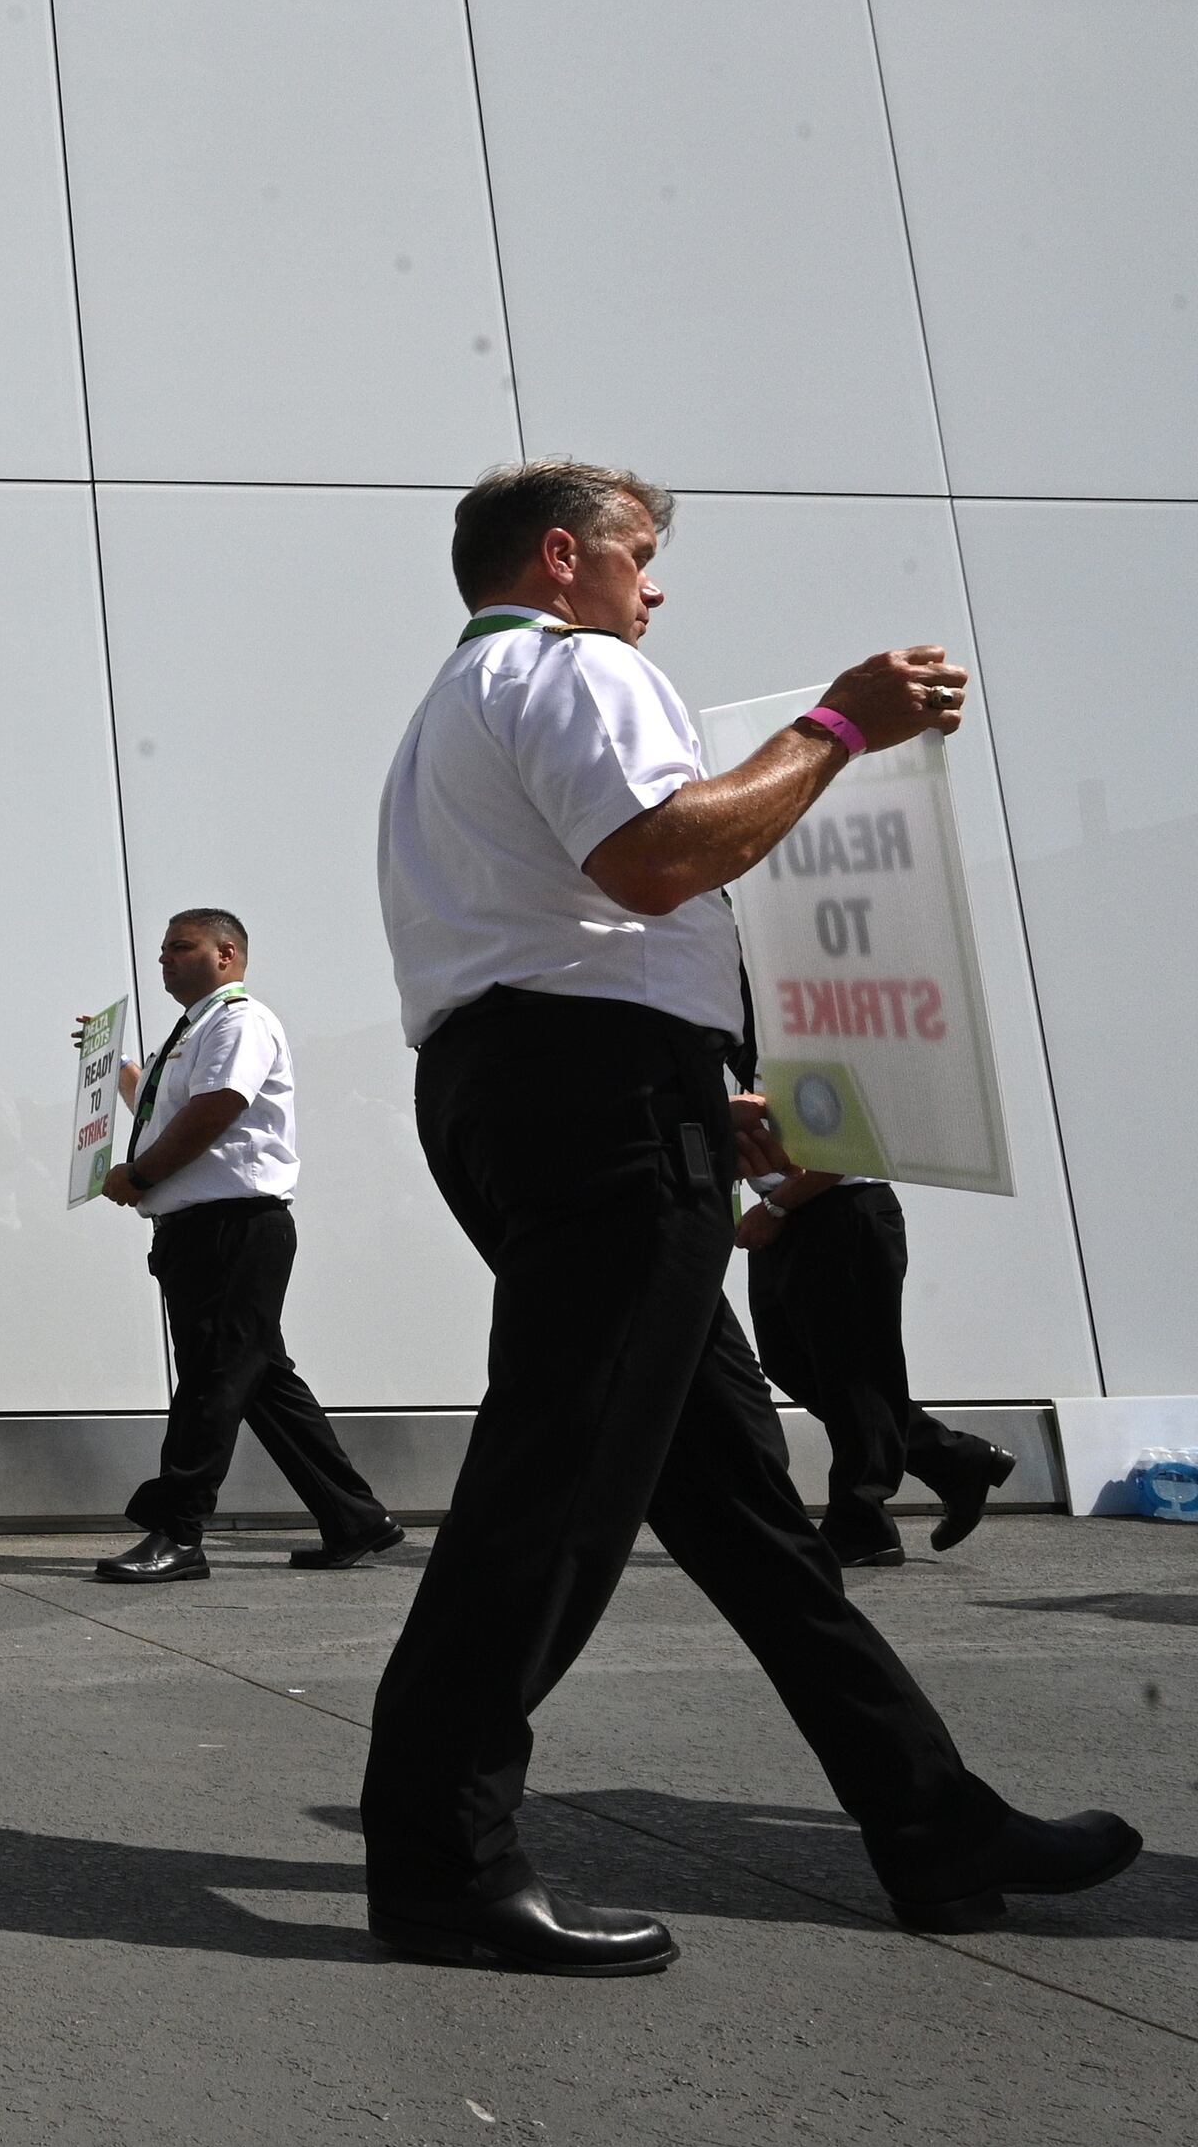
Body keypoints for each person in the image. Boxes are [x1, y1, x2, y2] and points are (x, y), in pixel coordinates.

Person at [363, 458, 1134, 1975]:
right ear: (565, 555)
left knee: (744, 1516)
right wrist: (838, 722)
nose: (658, 589)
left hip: (540, 1091)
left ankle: (930, 1816)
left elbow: (542, 939)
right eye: (643, 555)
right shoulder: (582, 666)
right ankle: (442, 1854)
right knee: (559, 1487)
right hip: (596, 1113)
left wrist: (696, 1091)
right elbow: (660, 858)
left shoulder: (453, 710)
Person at [83, 909, 404, 1583]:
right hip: (206, 1231)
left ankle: (178, 1530)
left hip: (232, 1228)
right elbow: (171, 1108)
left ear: (226, 954)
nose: (165, 959)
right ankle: (354, 1516)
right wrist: (114, 1071)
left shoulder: (237, 1020)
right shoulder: (199, 1029)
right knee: (257, 1380)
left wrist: (140, 1174)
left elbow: (216, 1109)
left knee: (212, 1379)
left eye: (181, 946)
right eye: (163, 949)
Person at [739, 1164, 1014, 1566]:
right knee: (792, 1365)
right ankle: (953, 1461)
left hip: (837, 1205)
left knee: (855, 1374)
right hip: (784, 1212)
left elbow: (842, 1149)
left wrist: (776, 1208)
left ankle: (861, 1520)